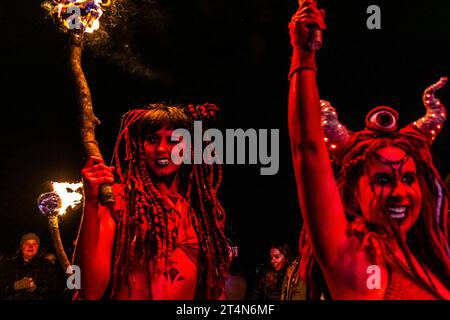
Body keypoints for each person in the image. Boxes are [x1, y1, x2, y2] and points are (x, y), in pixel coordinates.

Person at [287, 0, 450, 299]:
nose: (400, 192)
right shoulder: (353, 259)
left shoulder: (431, 260)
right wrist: (303, 56)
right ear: (352, 193)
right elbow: (307, 149)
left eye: (409, 179)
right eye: (383, 180)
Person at [74, 103, 230, 300]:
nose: (162, 148)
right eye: (153, 140)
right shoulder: (120, 200)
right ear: (139, 147)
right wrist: (91, 203)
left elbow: (215, 291)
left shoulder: (200, 215)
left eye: (173, 140)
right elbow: (90, 290)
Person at [0, 233, 57, 300]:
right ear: (21, 247)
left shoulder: (47, 265)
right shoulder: (7, 265)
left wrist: (36, 289)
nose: (31, 246)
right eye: (27, 243)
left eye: (35, 244)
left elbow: (55, 293)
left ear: (38, 247)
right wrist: (14, 287)